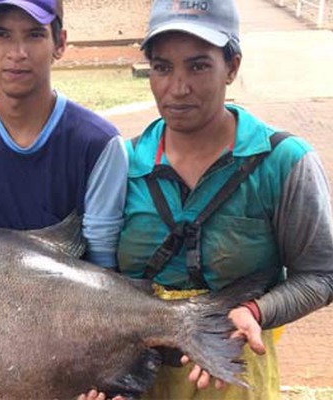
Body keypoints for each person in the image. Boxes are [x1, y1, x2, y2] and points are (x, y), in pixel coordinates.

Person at [109, 0, 333, 399]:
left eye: (198, 66)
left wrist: (254, 312)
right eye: (163, 67)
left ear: (232, 66)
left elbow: (321, 274)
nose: (178, 88)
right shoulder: (121, 165)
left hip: (237, 381)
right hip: (139, 386)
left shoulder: (282, 161)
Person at [0, 0, 128, 270]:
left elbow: (102, 262)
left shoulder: (98, 144)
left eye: (34, 35)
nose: (17, 52)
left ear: (59, 43)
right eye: (2, 35)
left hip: (73, 305)